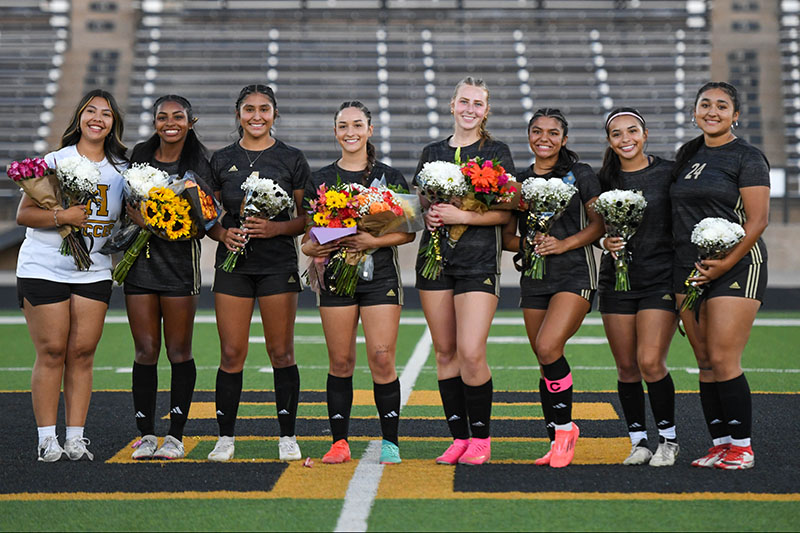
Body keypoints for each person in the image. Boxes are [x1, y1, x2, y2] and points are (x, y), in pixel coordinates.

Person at [16, 89, 127, 461]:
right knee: (51, 351)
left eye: (106, 113)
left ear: (114, 123)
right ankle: (47, 437)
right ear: (79, 117)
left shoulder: (122, 169)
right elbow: (25, 215)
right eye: (91, 111)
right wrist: (62, 217)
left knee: (81, 352)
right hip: (44, 265)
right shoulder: (55, 160)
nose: (98, 118)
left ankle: (76, 437)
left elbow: (129, 217)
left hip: (93, 269)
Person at [301, 101, 414, 465]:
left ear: (370, 130)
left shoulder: (390, 176)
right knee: (341, 360)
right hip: (336, 278)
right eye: (343, 126)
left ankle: (390, 442)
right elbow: (306, 241)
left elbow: (408, 234)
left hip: (380, 276)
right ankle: (339, 443)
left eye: (357, 125)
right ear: (335, 132)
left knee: (382, 357)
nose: (350, 132)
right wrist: (327, 239)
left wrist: (372, 240)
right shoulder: (320, 179)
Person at [205, 84, 310, 462]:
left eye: (264, 109)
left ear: (274, 114)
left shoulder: (292, 158)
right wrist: (222, 233)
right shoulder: (220, 159)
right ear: (238, 114)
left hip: (276, 265)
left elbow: (306, 219)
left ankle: (287, 436)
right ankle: (226, 437)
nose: (256, 116)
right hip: (233, 265)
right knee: (232, 353)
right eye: (249, 109)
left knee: (281, 352)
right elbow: (206, 213)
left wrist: (276, 229)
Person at [415, 77, 515, 466]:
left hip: (478, 261)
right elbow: (420, 204)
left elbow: (507, 210)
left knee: (471, 352)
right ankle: (458, 437)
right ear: (452, 105)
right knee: (445, 353)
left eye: (478, 104)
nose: (470, 109)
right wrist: (429, 212)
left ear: (485, 111)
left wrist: (462, 215)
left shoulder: (496, 151)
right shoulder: (432, 151)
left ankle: (481, 439)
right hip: (435, 260)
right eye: (464, 102)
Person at [671, 82, 769, 470]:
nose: (712, 111)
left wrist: (726, 263)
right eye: (705, 104)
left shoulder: (747, 156)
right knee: (705, 360)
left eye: (722, 105)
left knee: (724, 357)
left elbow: (758, 219)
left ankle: (742, 448)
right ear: (694, 110)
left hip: (737, 266)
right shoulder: (687, 154)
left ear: (735, 114)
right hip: (689, 269)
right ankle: (721, 444)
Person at [502, 108, 604, 468]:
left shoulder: (582, 174)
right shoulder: (519, 180)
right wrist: (531, 245)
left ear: (564, 138)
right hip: (535, 277)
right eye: (537, 131)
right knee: (545, 360)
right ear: (528, 135)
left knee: (548, 346)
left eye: (553, 132)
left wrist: (562, 244)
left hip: (575, 274)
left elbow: (599, 224)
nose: (544, 138)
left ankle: (565, 432)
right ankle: (556, 440)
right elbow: (507, 238)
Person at [125, 94, 212, 460]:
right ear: (155, 121)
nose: (170, 122)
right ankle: (145, 434)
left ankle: (175, 435)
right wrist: (142, 221)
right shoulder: (139, 155)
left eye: (178, 116)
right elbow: (128, 206)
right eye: (163, 116)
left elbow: (204, 224)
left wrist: (157, 224)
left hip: (178, 267)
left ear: (190, 122)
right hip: (140, 265)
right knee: (145, 351)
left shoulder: (200, 163)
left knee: (178, 351)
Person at [596, 108, 679, 466]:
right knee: (626, 367)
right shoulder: (603, 178)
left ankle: (669, 440)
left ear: (644, 135)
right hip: (616, 280)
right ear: (610, 141)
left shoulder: (669, 172)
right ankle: (639, 441)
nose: (625, 139)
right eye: (617, 134)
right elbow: (594, 227)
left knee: (650, 361)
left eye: (632, 131)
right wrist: (604, 243)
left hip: (659, 278)